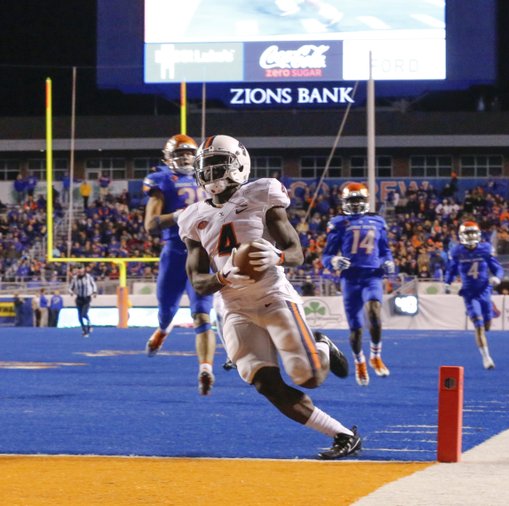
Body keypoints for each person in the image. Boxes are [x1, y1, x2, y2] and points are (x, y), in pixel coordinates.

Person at [177, 134, 361, 460]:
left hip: (273, 296)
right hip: (234, 307)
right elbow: (199, 282)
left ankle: (321, 346)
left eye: (219, 165)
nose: (212, 173)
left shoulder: (261, 193)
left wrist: (275, 257)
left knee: (309, 376)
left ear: (240, 164)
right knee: (264, 382)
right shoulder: (192, 217)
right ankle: (342, 434)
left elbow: (296, 252)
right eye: (207, 167)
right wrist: (223, 275)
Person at [142, 134, 218, 396]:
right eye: (178, 154)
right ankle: (163, 329)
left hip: (203, 254)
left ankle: (205, 368)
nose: (185, 157)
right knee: (167, 310)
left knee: (202, 314)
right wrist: (178, 215)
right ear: (168, 159)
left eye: (188, 153)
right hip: (174, 254)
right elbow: (150, 225)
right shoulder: (162, 180)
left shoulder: (210, 178)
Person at [321, 182, 395, 386]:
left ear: (366, 201)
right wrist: (333, 261)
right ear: (345, 202)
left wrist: (389, 262)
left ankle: (375, 355)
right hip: (350, 278)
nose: (355, 205)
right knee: (356, 329)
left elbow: (385, 249)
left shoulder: (377, 221)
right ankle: (359, 361)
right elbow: (326, 254)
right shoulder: (339, 223)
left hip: (372, 275)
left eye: (358, 200)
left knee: (374, 311)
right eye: (351, 201)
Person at [444, 221, 504, 369]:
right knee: (478, 325)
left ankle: (485, 323)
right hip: (469, 293)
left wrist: (497, 277)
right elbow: (451, 270)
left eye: (472, 233)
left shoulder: (485, 249)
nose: (470, 237)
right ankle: (486, 358)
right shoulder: (457, 251)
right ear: (461, 236)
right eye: (467, 234)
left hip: (485, 291)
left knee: (487, 324)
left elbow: (497, 268)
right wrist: (447, 283)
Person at [69, 265, 97, 337]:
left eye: (81, 271)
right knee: (79, 317)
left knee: (84, 314)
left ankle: (89, 325)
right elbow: (70, 288)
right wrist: (71, 292)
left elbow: (93, 284)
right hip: (79, 298)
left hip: (86, 298)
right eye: (78, 271)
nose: (80, 272)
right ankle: (85, 331)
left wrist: (94, 292)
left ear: (83, 270)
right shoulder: (75, 278)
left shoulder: (88, 277)